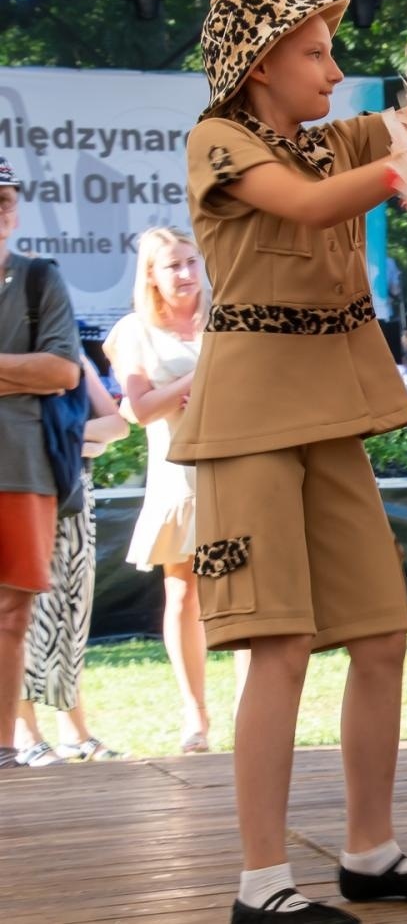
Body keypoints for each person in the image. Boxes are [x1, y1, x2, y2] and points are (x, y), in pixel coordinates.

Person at [174, 0, 407, 922]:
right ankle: (261, 885)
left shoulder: (336, 138)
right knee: (281, 647)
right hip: (251, 421)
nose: (337, 72)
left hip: (332, 418)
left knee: (382, 633)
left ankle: (370, 853)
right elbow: (308, 210)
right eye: (315, 54)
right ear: (261, 64)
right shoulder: (217, 140)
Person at [104, 226, 216, 753]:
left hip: (241, 463)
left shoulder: (226, 317)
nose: (187, 273)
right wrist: (191, 386)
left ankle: (255, 704)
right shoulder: (134, 331)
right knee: (184, 588)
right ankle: (195, 713)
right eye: (173, 265)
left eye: (192, 261)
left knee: (245, 590)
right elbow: (138, 408)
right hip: (180, 474)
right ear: (151, 274)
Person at [0, 156, 84, 771]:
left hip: (24, 468)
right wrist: (17, 371)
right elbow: (39, 371)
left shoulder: (38, 281)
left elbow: (62, 371)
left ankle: (3, 744)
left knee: (12, 611)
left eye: (5, 199)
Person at [13, 354, 128, 764]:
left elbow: (117, 424)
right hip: (17, 494)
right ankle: (24, 732)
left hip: (71, 498)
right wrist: (79, 438)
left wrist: (57, 436)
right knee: (19, 614)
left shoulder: (70, 357)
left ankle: (75, 731)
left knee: (72, 612)